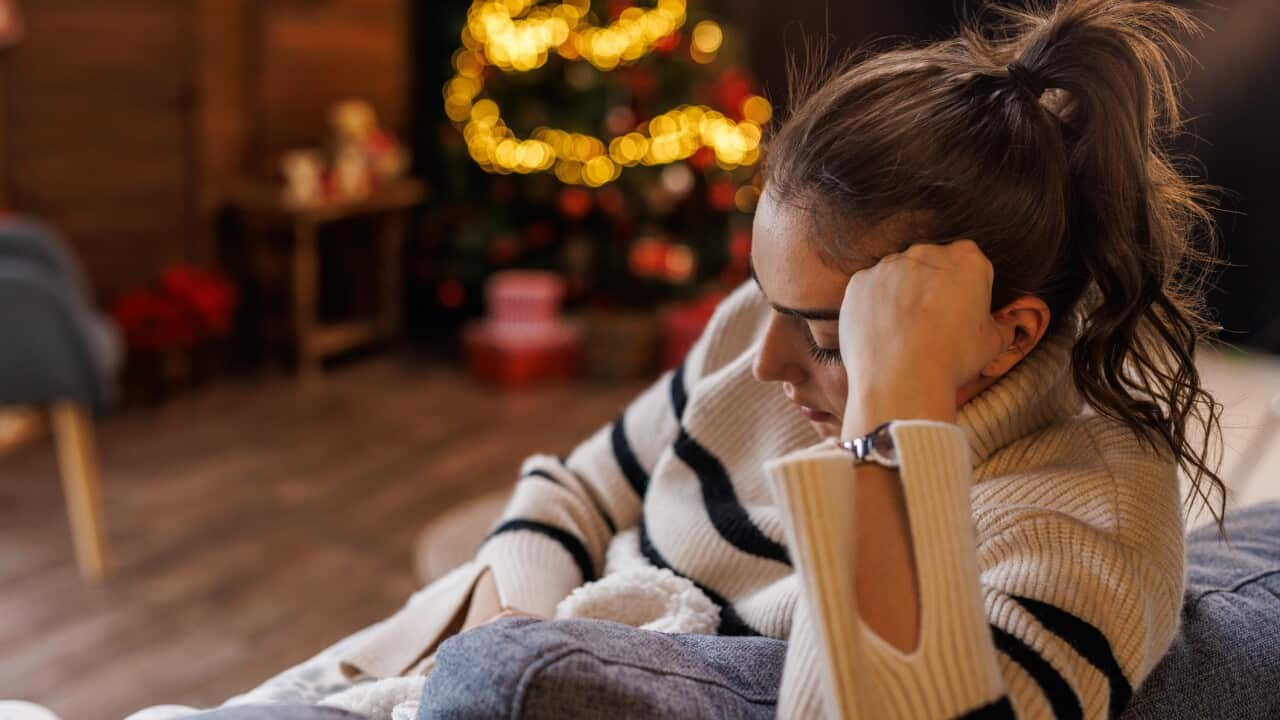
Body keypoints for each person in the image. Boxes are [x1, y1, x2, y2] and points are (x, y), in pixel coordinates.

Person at [200, 0, 1224, 717]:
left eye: (828, 333)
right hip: (405, 673)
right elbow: (567, 492)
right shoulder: (762, 331)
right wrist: (508, 639)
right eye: (764, 298)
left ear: (1009, 331)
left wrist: (890, 409)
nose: (763, 358)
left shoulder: (1083, 529)